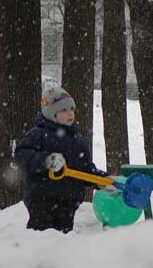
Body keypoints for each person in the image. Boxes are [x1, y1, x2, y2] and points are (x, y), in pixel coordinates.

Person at [15, 87, 109, 233]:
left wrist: (103, 180)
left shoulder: (78, 141)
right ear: (52, 114)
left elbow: (84, 169)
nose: (70, 113)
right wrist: (45, 161)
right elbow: (22, 156)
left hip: (68, 201)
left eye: (72, 109)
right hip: (41, 199)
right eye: (64, 110)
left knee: (62, 241)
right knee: (39, 237)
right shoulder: (38, 134)